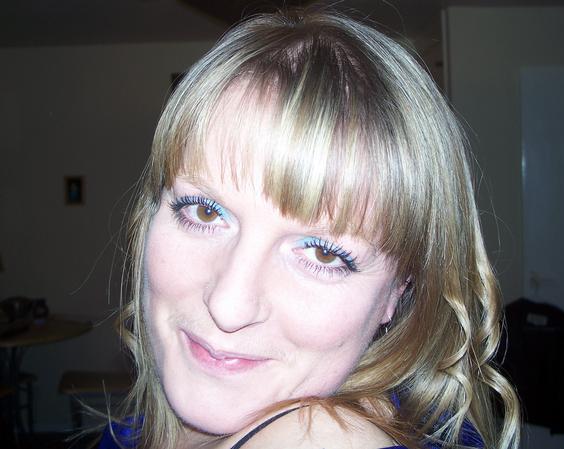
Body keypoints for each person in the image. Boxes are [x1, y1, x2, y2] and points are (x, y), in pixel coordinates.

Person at [102, 9, 519, 449]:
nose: (228, 306)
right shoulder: (133, 432)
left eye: (323, 253)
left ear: (398, 291)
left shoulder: (326, 438)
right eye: (205, 212)